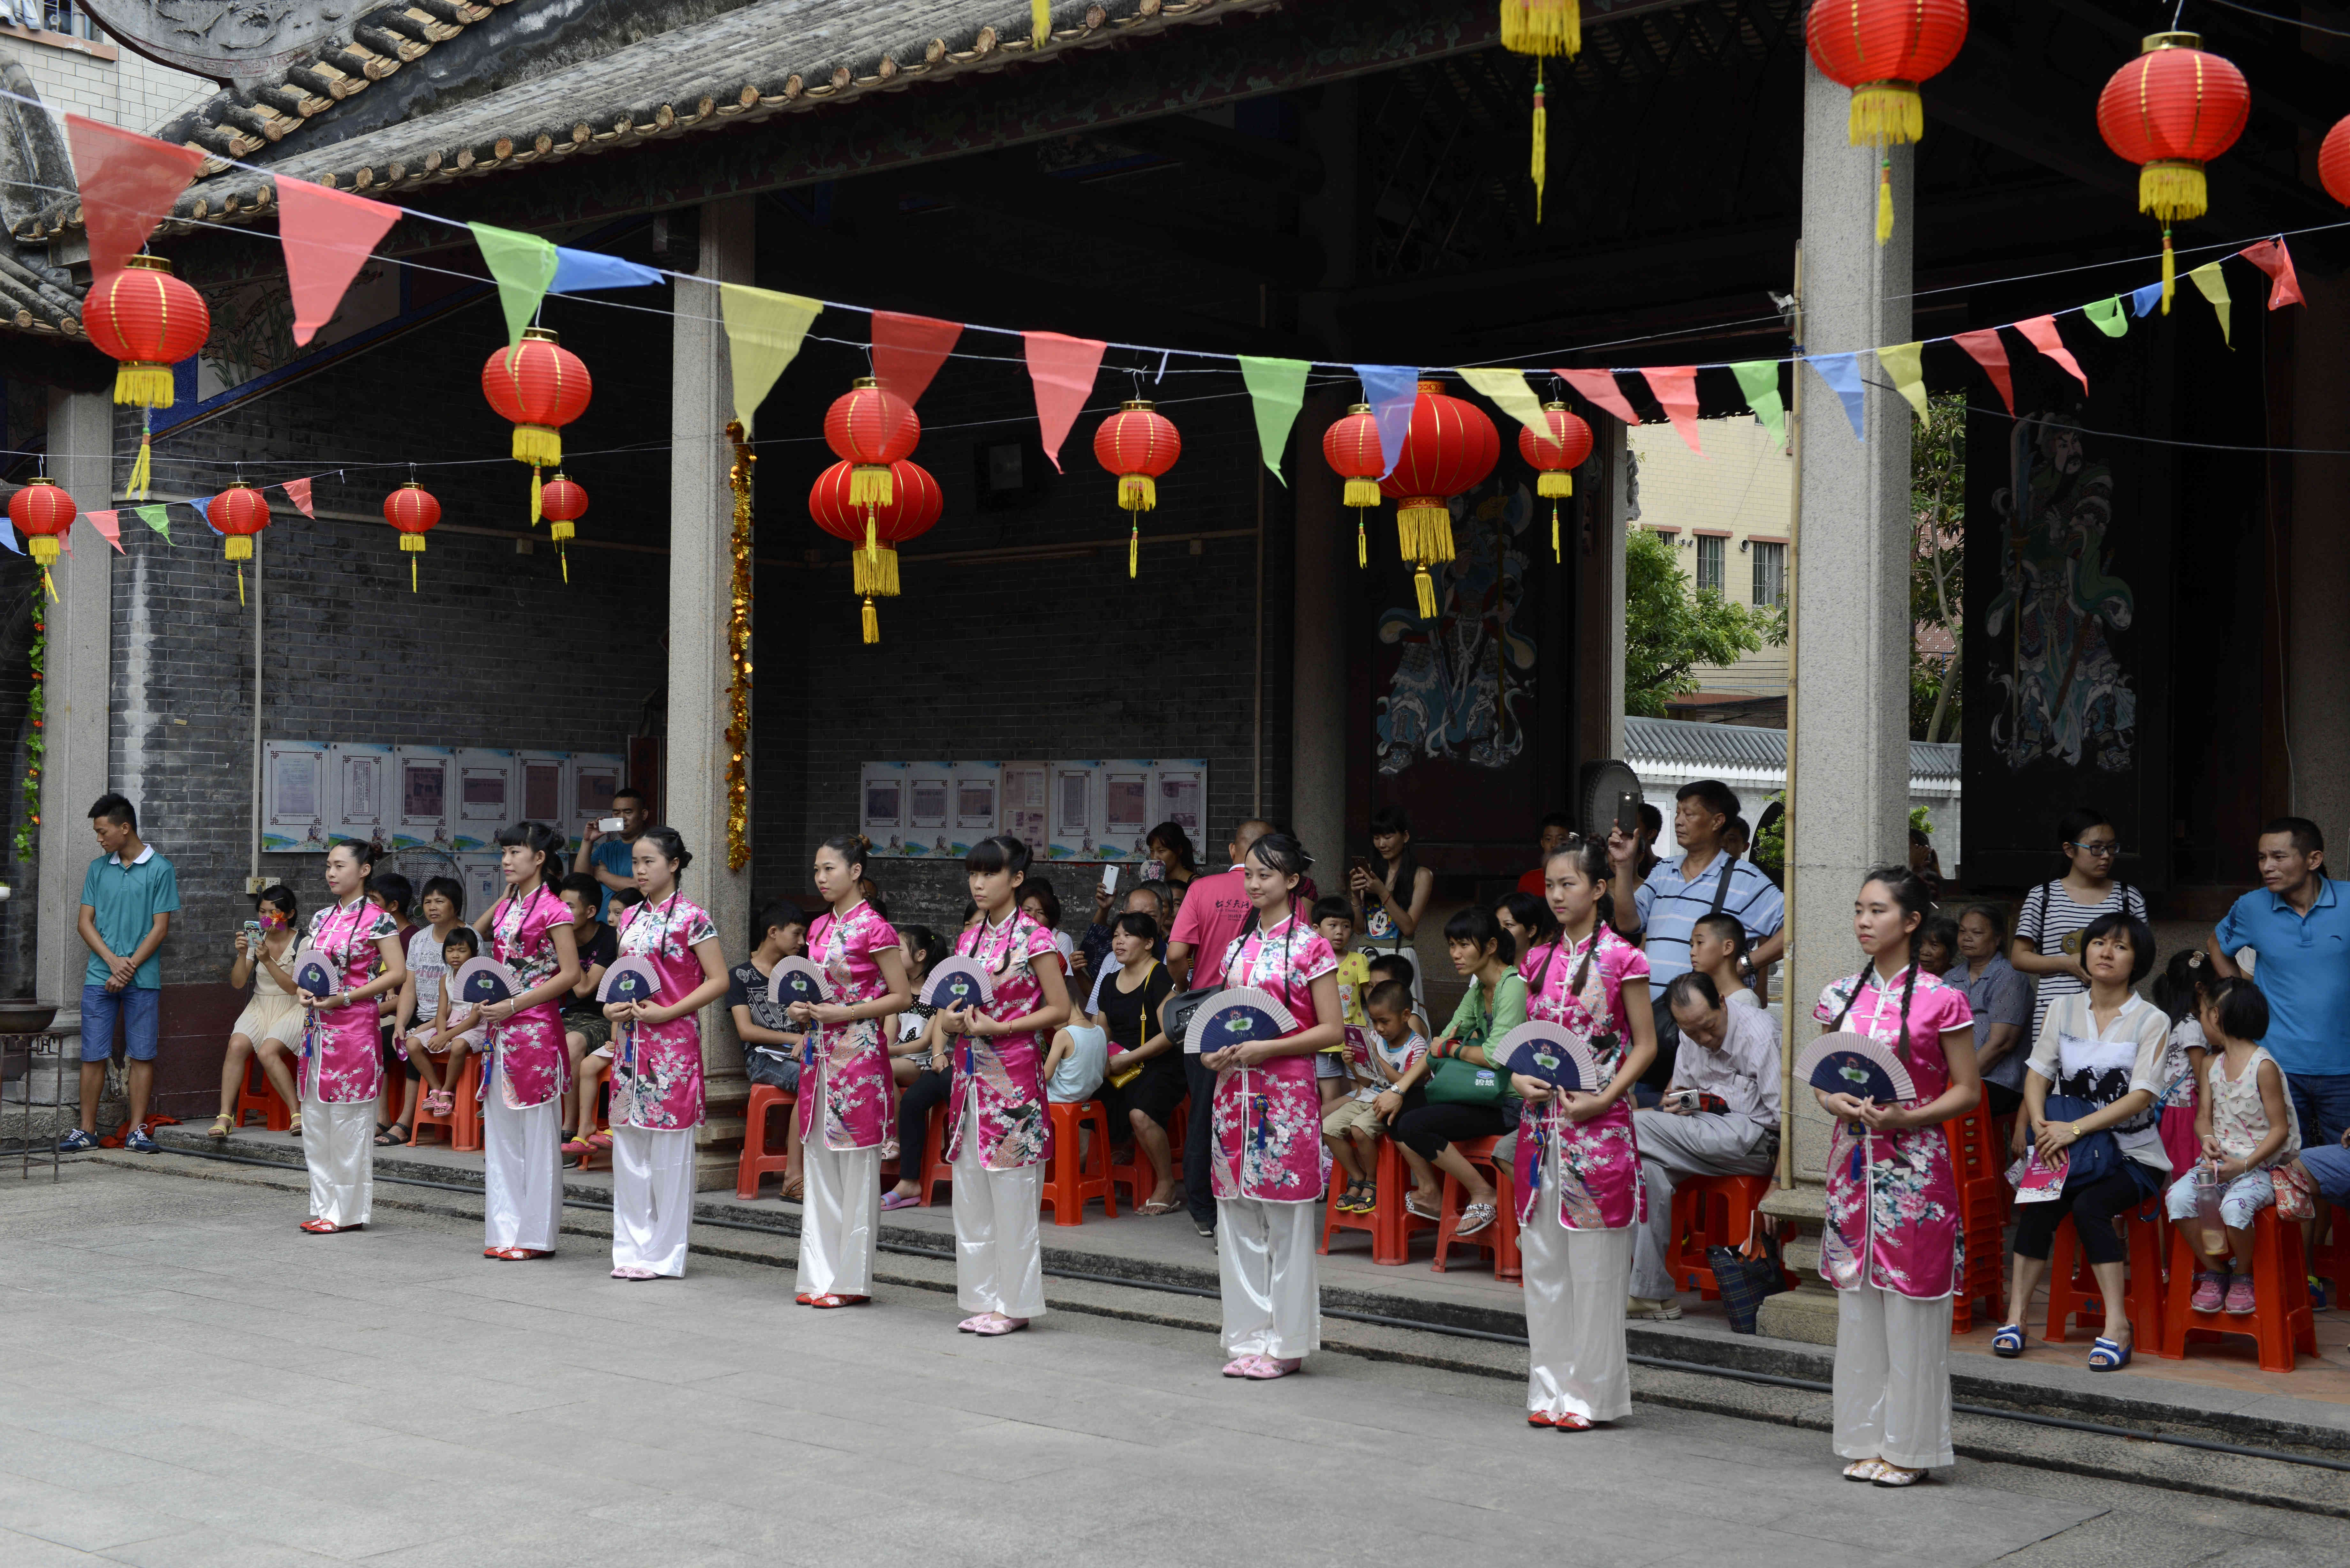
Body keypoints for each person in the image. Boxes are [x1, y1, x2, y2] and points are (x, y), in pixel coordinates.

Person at [1814, 865, 1978, 1486]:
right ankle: (1863, 1436)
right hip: (1851, 1163)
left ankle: (1910, 1445)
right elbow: (1825, 1081)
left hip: (1915, 1166)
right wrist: (1840, 1104)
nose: (1863, 919)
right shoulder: (1837, 995)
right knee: (1857, 1306)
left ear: (1911, 921)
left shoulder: (1943, 999)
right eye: (1858, 908)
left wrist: (1905, 1114)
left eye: (1877, 910)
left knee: (1913, 1305)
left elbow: (1965, 1090)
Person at [1512, 837, 1658, 1431]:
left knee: (1595, 1269)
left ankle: (1591, 1395)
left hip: (1600, 1128)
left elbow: (1646, 1043)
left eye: (1568, 884)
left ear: (1600, 888)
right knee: (1544, 1261)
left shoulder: (1625, 957)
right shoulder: (1536, 961)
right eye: (1550, 886)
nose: (1556, 895)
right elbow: (1527, 1042)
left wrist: (1605, 1096)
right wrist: (1520, 1077)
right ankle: (1547, 1387)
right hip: (1540, 1125)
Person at [1998, 910, 2168, 1370]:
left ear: (2137, 961)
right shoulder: (2063, 1008)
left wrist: (2073, 1128)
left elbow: (2142, 1096)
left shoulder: (2151, 1020)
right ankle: (2017, 1319)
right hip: (2067, 1148)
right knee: (2037, 1203)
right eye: (2099, 943)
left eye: (2121, 946)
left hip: (2134, 1155)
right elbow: (2038, 1073)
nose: (2106, 952)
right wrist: (2039, 1123)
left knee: (2090, 1207)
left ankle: (2117, 1326)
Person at [1204, 831, 1342, 1380]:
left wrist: (1270, 1047)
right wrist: (1217, 1052)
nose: (1255, 883)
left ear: (1292, 881)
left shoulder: (1312, 945)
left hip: (1285, 1096)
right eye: (1249, 874)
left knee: (1286, 1219)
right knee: (1236, 1214)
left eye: (1267, 874)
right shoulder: (1237, 948)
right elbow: (1224, 1018)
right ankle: (1246, 1337)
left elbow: (1331, 1029)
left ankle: (1286, 1342)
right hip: (1232, 1093)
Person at [941, 833, 1070, 1335]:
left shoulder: (1037, 939)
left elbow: (1059, 1009)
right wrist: (949, 1024)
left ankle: (1015, 1303)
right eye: (974, 872)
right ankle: (982, 1296)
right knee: (971, 1186)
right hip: (969, 1072)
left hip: (1013, 1073)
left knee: (1014, 1190)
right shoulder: (969, 939)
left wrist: (1005, 1028)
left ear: (1016, 879)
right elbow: (950, 1002)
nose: (979, 883)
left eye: (991, 873)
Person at [2208, 816, 2350, 1266]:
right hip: (2280, 1069)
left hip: (2344, 1069)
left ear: (2313, 859)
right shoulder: (2252, 907)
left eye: (2279, 857)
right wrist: (2242, 997)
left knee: (2337, 1171)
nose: (2267, 867)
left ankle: (2331, 1264)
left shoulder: (2349, 901)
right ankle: (2301, 1273)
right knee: (2291, 1175)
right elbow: (2217, 942)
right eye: (2262, 858)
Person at [787, 834, 911, 1306]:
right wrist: (806, 1010)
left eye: (830, 869)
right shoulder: (817, 927)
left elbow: (901, 997)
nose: (820, 878)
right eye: (817, 870)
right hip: (820, 1054)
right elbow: (819, 989)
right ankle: (817, 1275)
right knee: (820, 1162)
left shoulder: (875, 928)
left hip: (859, 1057)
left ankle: (850, 1283)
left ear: (856, 872)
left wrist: (849, 1013)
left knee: (857, 1169)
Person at [603, 826, 727, 1281]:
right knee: (629, 1146)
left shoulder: (694, 918)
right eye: (635, 862)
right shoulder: (630, 917)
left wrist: (669, 1011)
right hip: (631, 1043)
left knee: (669, 1151)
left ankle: (664, 1254)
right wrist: (615, 1014)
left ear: (674, 865)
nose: (639, 870)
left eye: (648, 861)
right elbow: (622, 978)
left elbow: (718, 980)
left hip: (672, 1043)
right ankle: (631, 1249)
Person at [1607, 780, 1784, 1090]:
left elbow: (1796, 928)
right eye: (1678, 813)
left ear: (1717, 821)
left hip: (1703, 1035)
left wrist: (1744, 964)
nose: (1678, 821)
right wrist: (1623, 866)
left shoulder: (1746, 880)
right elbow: (1628, 922)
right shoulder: (1663, 872)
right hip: (1651, 1029)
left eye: (1689, 814)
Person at [1627, 972, 1782, 1318]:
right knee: (1649, 1169)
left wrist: (1778, 1186)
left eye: (1709, 1027)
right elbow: (1679, 1096)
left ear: (1723, 1002)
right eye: (1691, 1032)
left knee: (1620, 1128)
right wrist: (1685, 1101)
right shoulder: (1691, 1034)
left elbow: (1788, 1121)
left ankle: (1559, 1212)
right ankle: (1653, 1295)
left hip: (1754, 1140)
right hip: (1700, 1132)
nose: (1704, 1038)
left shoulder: (1760, 1035)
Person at [1377, 906, 1527, 1237]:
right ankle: (1432, 1193)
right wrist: (1397, 1091)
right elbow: (1439, 1044)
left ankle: (1483, 1192)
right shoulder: (1477, 990)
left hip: (1511, 1103)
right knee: (1394, 1112)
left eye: (1463, 945)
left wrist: (1453, 1049)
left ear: (1490, 946)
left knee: (1416, 1123)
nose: (1455, 954)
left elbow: (1495, 1057)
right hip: (1481, 1092)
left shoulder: (1512, 987)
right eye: (1451, 945)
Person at [472, 821, 583, 1261]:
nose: (506, 860)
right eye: (504, 853)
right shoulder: (506, 909)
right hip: (501, 1028)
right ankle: (504, 1229)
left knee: (537, 1135)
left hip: (536, 1028)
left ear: (540, 858)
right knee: (501, 1133)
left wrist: (516, 1005)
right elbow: (477, 930)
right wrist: (510, 894)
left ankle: (536, 1236)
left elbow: (571, 975)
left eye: (516, 852)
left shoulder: (555, 910)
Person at [2165, 978, 2300, 1317]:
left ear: (2215, 1015)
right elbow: (2203, 1118)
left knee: (2234, 1208)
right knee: (2177, 1199)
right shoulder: (2212, 1065)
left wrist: (2242, 1166)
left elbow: (2280, 1130)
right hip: (2217, 1165)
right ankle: (2216, 1270)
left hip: (2261, 1167)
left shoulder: (2263, 1066)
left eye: (2200, 1013)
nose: (2199, 1019)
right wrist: (2207, 1139)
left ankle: (2243, 1274)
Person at [1166, 818, 1272, 1239]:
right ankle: (1256, 1202)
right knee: (1257, 1111)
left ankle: (1203, 1211)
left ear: (1233, 850)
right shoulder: (1283, 894)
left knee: (1205, 1111)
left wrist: (1183, 986)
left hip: (1207, 1014)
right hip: (1261, 1015)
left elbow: (1177, 954)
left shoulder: (1201, 889)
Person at [294, 840, 407, 1233]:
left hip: (354, 1027)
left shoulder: (379, 919)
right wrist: (302, 991)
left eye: (340, 866)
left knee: (349, 1122)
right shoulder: (321, 918)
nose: (331, 872)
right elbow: (307, 968)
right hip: (317, 1029)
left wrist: (346, 996)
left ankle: (348, 1211)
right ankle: (324, 1206)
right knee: (315, 1120)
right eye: (328, 865)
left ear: (363, 870)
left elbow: (397, 973)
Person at [64, 793, 179, 1153]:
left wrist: (127, 968)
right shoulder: (99, 869)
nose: (99, 839)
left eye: (103, 831)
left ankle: (137, 1131)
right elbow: (85, 923)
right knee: (93, 1054)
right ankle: (86, 1131)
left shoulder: (161, 868)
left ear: (124, 827)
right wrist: (114, 962)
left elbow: (160, 929)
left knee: (142, 1054)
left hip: (143, 979)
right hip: (100, 976)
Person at [2012, 806, 2148, 1072]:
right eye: (2096, 848)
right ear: (2069, 850)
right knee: (2047, 1087)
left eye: (2111, 848)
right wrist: (2068, 963)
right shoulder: (2043, 896)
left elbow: (2142, 957)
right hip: (2052, 1013)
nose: (2106, 856)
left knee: (2106, 1084)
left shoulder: (2128, 897)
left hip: (2114, 1014)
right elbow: (2019, 957)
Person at [1086, 912, 1180, 1213]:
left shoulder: (1161, 976)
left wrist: (1129, 1059)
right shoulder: (1110, 981)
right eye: (1116, 935)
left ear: (1150, 943)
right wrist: (1098, 1059)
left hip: (1159, 1062)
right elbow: (1101, 1031)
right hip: (1119, 1064)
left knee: (1140, 1114)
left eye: (1128, 935)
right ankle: (1089, 1176)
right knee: (1079, 1098)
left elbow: (1170, 1035)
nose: (1119, 941)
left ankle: (1166, 1183)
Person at [1324, 979, 1428, 1214]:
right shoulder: (1374, 1037)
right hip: (1368, 1096)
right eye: (1374, 1021)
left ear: (1405, 1015)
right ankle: (1357, 1177)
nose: (1379, 1028)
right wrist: (1353, 1064)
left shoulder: (1417, 1046)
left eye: (1385, 1022)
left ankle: (1372, 1180)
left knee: (1359, 1129)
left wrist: (1377, 1057)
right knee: (1327, 1128)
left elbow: (1406, 1084)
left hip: (1395, 1103)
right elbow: (1366, 1082)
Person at [209, 884, 303, 1139]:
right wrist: (243, 955)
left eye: (274, 913)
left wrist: (268, 961)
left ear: (289, 914)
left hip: (293, 1007)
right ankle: (225, 1116)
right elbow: (239, 983)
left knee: (267, 1052)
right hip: (260, 1004)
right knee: (237, 1045)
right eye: (262, 912)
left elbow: (294, 988)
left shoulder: (304, 942)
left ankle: (297, 1114)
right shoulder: (257, 940)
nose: (267, 919)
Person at [732, 901, 813, 1196]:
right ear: (774, 932)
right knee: (814, 1082)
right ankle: (793, 1177)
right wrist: (796, 1040)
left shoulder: (800, 975)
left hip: (801, 1053)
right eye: (797, 934)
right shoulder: (740, 976)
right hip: (762, 1058)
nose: (803, 943)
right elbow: (746, 1030)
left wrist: (809, 1039)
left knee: (835, 1079)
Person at [881, 923, 949, 1211]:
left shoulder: (936, 993)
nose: (894, 952)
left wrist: (883, 1054)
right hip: (897, 1058)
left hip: (920, 1061)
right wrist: (879, 1050)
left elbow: (923, 1044)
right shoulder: (896, 992)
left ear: (921, 955)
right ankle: (887, 1138)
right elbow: (887, 1034)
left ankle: (893, 1137)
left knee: (883, 1068)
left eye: (900, 948)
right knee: (878, 1068)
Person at [391, 877, 468, 1132]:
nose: (432, 907)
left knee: (416, 1042)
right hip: (419, 1014)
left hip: (455, 1018)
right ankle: (383, 1117)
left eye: (440, 901)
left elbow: (473, 992)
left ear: (455, 906)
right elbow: (409, 986)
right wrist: (399, 1024)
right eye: (427, 902)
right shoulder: (419, 939)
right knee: (380, 1042)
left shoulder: (469, 939)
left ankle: (406, 1122)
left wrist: (429, 1026)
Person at [1948, 904, 2033, 1121]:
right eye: (1963, 931)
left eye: (1977, 933)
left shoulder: (2010, 976)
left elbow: (2002, 1044)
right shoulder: (1949, 978)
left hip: (1998, 1081)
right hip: (1955, 1078)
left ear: (1997, 939)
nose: (1967, 938)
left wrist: (1958, 1084)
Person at [556, 873, 619, 1156]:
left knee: (572, 1043)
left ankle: (570, 1128)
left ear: (591, 911)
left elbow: (583, 988)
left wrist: (564, 942)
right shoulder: (558, 935)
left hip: (605, 1018)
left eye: (569, 907)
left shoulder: (609, 938)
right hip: (566, 1015)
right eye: (559, 906)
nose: (561, 913)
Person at [2148, 948, 2217, 1177]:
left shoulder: (2170, 1019)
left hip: (2168, 1105)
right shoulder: (2193, 1026)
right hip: (2187, 1109)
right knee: (2187, 1164)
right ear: (2201, 989)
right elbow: (2200, 1075)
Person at [369, 871, 420, 1145]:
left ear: (393, 906)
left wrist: (371, 1010)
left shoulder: (412, 938)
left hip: (410, 1016)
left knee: (377, 1040)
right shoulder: (378, 935)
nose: (368, 908)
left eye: (374, 901)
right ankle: (382, 1116)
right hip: (385, 1013)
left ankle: (398, 1119)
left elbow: (411, 995)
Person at [1351, 805, 1434, 967]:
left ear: (1405, 837)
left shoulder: (1422, 876)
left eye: (1388, 837)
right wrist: (1354, 895)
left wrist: (1382, 891)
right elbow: (1359, 929)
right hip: (1367, 953)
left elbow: (1408, 928)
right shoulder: (1370, 871)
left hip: (1399, 954)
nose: (1381, 844)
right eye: (1376, 838)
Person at [1312, 894, 1367, 1111]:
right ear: (1316, 929)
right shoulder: (1313, 962)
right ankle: (1327, 1143)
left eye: (1346, 926)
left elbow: (1372, 999)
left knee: (1361, 1091)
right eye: (1333, 925)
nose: (1340, 932)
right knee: (1330, 1097)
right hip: (1323, 1042)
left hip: (1354, 1040)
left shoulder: (1358, 960)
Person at [573, 785, 650, 919]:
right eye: (616, 813)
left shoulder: (651, 848)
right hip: (601, 927)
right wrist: (587, 841)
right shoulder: (606, 849)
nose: (622, 818)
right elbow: (580, 881)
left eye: (628, 812)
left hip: (631, 927)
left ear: (643, 815)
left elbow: (634, 886)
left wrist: (602, 875)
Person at [1688, 911, 1759, 1011]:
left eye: (1700, 943)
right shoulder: (1700, 996)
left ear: (1727, 947)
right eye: (1692, 945)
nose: (1692, 952)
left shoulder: (1745, 1001)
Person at [1366, 952, 1430, 1039]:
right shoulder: (1378, 1015)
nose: (1373, 992)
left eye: (1380, 986)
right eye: (1371, 986)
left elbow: (1413, 1052)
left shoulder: (1410, 1020)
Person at [1495, 891, 1559, 970]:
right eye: (1497, 925)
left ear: (1532, 931)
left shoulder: (1548, 972)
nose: (1500, 931)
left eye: (1508, 925)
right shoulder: (1488, 969)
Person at [1517, 812, 1575, 896]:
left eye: (1560, 839)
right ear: (1542, 843)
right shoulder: (1528, 880)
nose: (1554, 845)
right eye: (1548, 839)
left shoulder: (1578, 879)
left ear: (1570, 842)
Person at [1146, 820, 1200, 906]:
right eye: (1152, 851)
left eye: (1161, 851)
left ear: (1179, 850)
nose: (1155, 857)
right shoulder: (1155, 880)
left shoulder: (1196, 884)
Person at [1914, 913, 1957, 979]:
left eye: (1934, 945)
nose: (1925, 952)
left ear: (1951, 951)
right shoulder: (1905, 979)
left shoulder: (1959, 984)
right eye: (1920, 944)